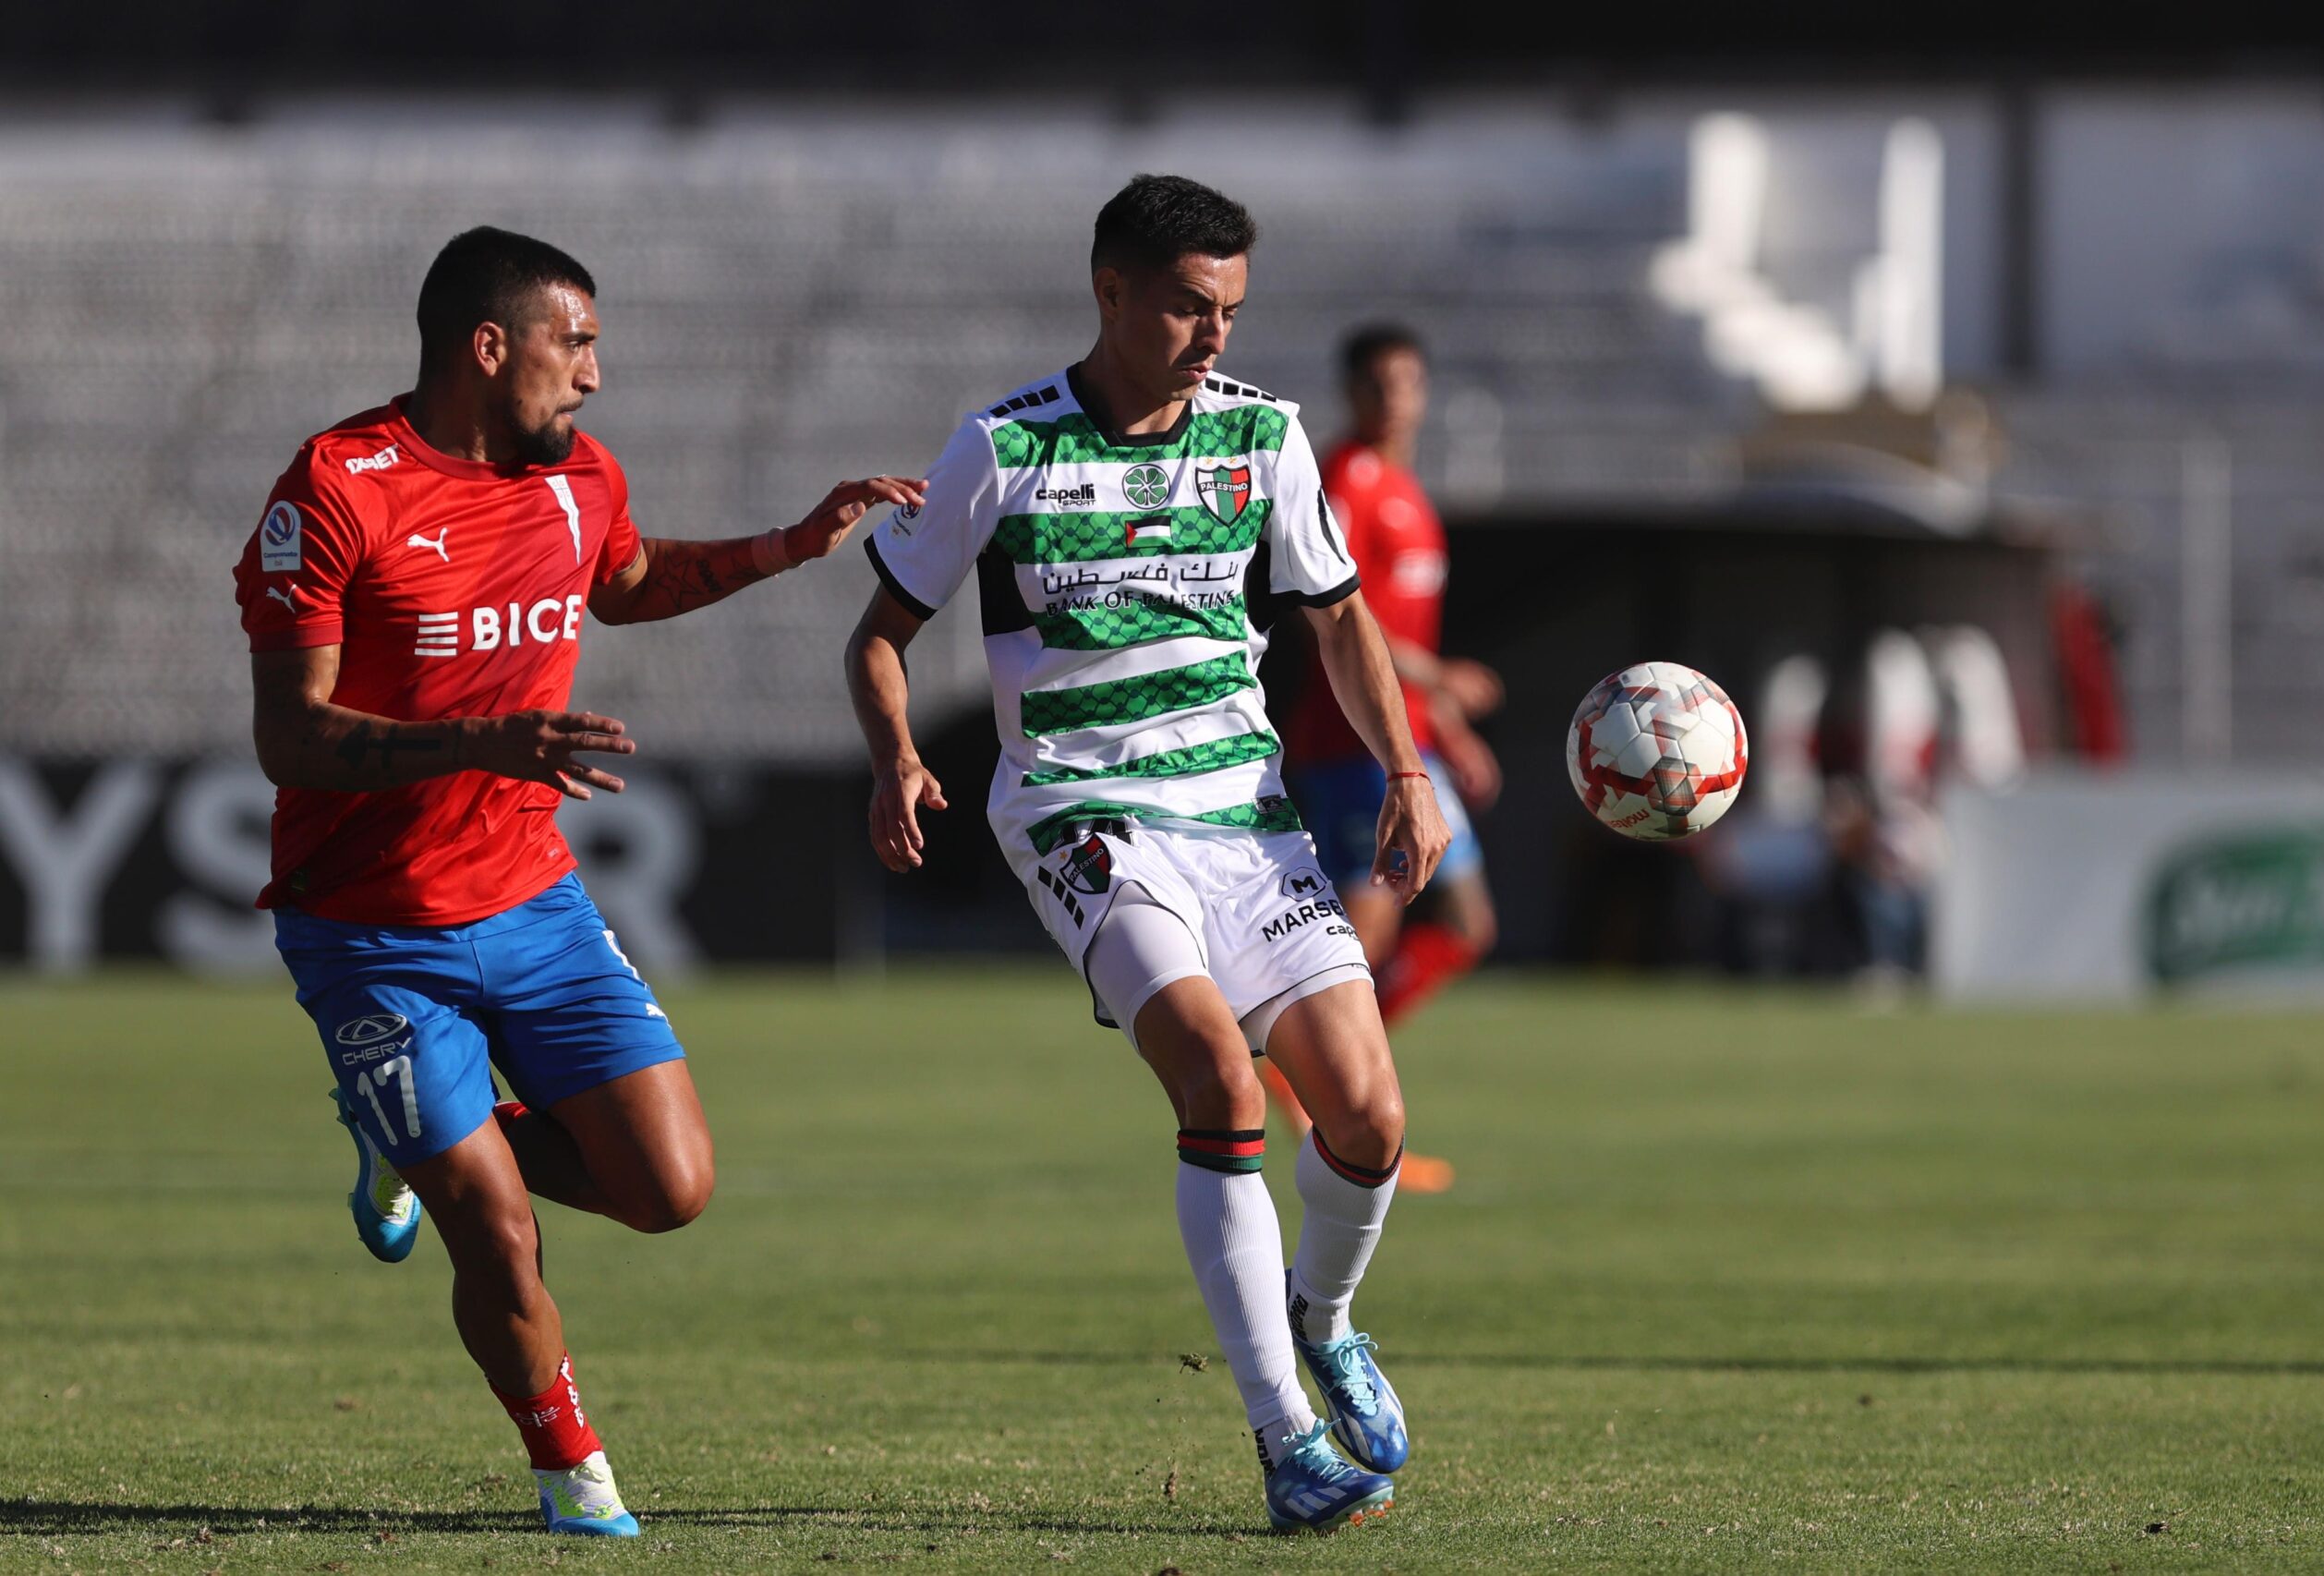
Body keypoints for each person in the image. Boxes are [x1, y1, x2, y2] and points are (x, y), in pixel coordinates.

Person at [233, 225, 922, 1538]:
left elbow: (634, 577)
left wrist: (788, 543)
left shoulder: (576, 478)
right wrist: (477, 742)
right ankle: (570, 1467)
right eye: (578, 343)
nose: (595, 376)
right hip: (371, 929)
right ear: (490, 348)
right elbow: (288, 732)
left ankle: (409, 1129)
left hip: (532, 899)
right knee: (487, 1216)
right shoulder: (336, 487)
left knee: (670, 1187)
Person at [845, 174, 1447, 1535]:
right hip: (1082, 813)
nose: (1213, 332)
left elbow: (1341, 622)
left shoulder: (1265, 440)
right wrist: (898, 756)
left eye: (1229, 307)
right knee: (1217, 1078)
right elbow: (877, 631)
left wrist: (1406, 771)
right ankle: (1286, 1439)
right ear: (1111, 292)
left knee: (1370, 1119)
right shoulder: (1003, 445)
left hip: (1245, 815)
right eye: (1186, 304)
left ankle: (1324, 1315)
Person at [1273, 326, 1503, 1194]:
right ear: (1351, 391)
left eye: (1407, 381)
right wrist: (1438, 680)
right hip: (1352, 746)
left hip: (1407, 744)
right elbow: (1338, 613)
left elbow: (1400, 635)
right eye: (1375, 383)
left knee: (1465, 924)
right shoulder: (1345, 480)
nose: (1392, 398)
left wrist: (1444, 719)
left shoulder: (1407, 489)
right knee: (1363, 942)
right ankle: (1340, 1102)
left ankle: (1323, 1079)